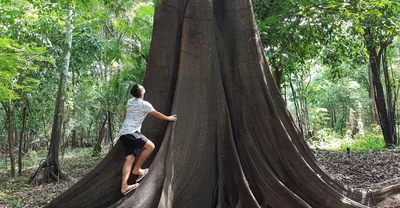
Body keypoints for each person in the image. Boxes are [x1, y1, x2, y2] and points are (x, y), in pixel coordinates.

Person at [119, 84, 177, 195]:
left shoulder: (130, 101)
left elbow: (125, 113)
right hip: (132, 132)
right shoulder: (144, 104)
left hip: (123, 133)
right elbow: (157, 114)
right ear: (142, 92)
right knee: (150, 146)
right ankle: (137, 169)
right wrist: (168, 118)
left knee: (129, 159)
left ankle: (124, 187)